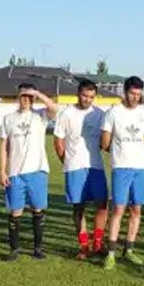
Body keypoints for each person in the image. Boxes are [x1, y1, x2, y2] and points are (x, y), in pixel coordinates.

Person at [0, 83, 58, 260]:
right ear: (18, 97)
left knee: (37, 209)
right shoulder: (8, 119)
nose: (26, 100)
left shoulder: (40, 116)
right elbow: (4, 147)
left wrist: (38, 93)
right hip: (15, 173)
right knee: (15, 211)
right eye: (23, 96)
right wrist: (2, 171)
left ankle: (38, 248)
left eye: (29, 97)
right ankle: (15, 249)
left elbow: (55, 108)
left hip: (37, 171)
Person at [54, 79, 109, 260]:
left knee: (102, 204)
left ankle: (98, 243)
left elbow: (104, 140)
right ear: (78, 93)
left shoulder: (100, 114)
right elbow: (58, 142)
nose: (87, 100)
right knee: (79, 206)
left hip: (95, 166)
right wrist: (67, 161)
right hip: (75, 167)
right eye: (85, 96)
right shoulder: (66, 113)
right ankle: (84, 245)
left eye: (91, 97)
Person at [101, 76, 144, 269]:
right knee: (118, 209)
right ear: (125, 92)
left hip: (141, 167)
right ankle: (111, 253)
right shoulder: (113, 113)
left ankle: (129, 249)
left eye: (139, 94)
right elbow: (105, 142)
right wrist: (118, 153)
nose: (136, 97)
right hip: (121, 167)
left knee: (136, 209)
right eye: (132, 93)